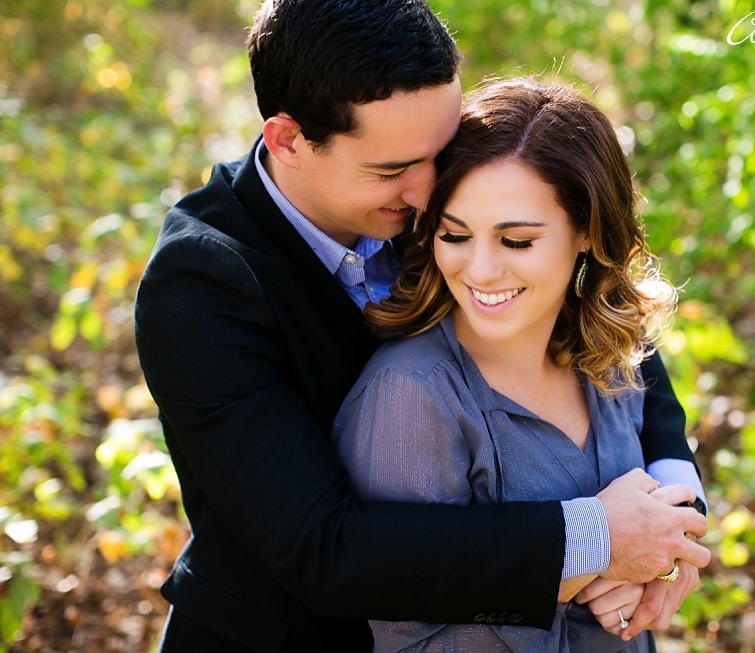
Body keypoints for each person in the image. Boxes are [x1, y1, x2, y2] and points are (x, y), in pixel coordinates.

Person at [134, 2, 709, 652]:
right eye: (391, 170)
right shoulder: (200, 284)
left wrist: (672, 516)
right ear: (288, 139)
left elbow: (599, 313)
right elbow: (326, 549)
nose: (430, 190)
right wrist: (600, 540)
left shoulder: (419, 163)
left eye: (438, 152)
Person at [334, 78, 694, 653]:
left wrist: (665, 564)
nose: (479, 270)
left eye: (517, 241)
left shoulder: (610, 356)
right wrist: (601, 565)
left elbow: (666, 486)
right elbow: (401, 629)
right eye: (455, 234)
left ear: (585, 233)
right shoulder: (412, 394)